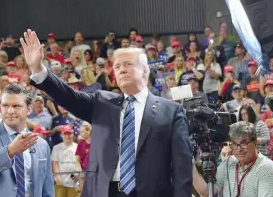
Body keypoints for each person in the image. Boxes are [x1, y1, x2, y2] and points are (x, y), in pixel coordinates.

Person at [20, 29, 193, 197]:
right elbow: (68, 96)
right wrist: (38, 68)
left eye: (128, 64)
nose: (121, 69)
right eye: (117, 66)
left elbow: (182, 167)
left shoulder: (171, 111)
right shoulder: (102, 102)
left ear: (145, 70)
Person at [0, 83, 54, 197]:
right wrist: (9, 151)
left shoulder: (41, 144)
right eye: (5, 106)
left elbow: (47, 188)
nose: (10, 111)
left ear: (29, 109)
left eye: (16, 106)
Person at [193, 121, 273, 197]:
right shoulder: (229, 163)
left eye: (244, 143)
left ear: (255, 142)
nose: (239, 149)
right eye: (234, 144)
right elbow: (207, 193)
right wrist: (188, 164)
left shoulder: (267, 170)